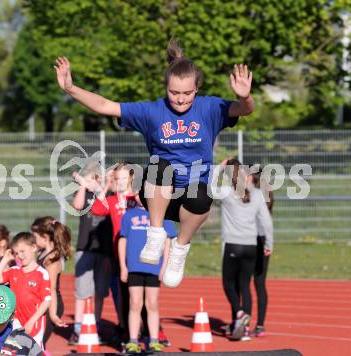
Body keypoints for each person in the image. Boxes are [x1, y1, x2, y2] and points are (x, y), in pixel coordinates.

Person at [55, 39, 255, 288]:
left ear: (197, 88)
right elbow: (106, 105)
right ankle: (156, 233)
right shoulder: (151, 111)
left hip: (191, 201)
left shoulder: (210, 108)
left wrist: (245, 97)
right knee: (161, 166)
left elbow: (244, 109)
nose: (181, 100)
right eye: (174, 93)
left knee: (202, 195)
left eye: (187, 93)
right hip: (158, 196)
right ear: (165, 88)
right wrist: (71, 88)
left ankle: (179, 249)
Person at [218, 159, 273, 341]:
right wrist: (269, 244)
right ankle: (246, 329)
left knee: (229, 284)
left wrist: (219, 167)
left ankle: (240, 315)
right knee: (247, 286)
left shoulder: (228, 192)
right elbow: (266, 221)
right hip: (253, 245)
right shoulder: (258, 194)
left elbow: (209, 187)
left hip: (234, 244)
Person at [89, 162, 137, 346]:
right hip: (119, 255)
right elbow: (95, 209)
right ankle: (125, 330)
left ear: (131, 177)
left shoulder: (137, 198)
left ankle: (147, 331)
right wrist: (107, 185)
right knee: (122, 295)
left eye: (124, 178)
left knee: (140, 295)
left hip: (138, 254)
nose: (121, 182)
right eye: (118, 178)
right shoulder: (112, 200)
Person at [119, 204, 177, 353]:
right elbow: (122, 240)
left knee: (152, 304)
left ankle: (154, 340)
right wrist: (123, 266)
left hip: (153, 268)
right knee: (135, 304)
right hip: (134, 267)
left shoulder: (162, 213)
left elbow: (168, 242)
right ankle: (132, 341)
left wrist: (164, 266)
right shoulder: (128, 215)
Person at [69, 164, 112, 345]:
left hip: (104, 249)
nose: (96, 180)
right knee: (82, 291)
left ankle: (96, 323)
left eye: (97, 177)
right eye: (93, 177)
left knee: (100, 292)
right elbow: (77, 205)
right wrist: (83, 185)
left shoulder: (107, 194)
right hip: (85, 248)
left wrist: (102, 185)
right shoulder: (84, 194)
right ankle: (78, 327)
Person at [0, 232, 51, 349]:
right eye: (17, 253)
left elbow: (46, 301)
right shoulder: (14, 271)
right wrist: (4, 260)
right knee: (14, 350)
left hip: (34, 322)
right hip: (16, 321)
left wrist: (32, 321)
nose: (20, 256)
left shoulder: (41, 274)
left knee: (33, 350)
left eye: (23, 251)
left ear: (34, 248)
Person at [32, 216, 71, 348]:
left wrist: (53, 315)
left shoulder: (52, 260)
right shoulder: (42, 253)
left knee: (37, 344)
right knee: (34, 341)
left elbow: (52, 289)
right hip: (42, 303)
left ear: (45, 237)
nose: (33, 240)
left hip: (51, 305)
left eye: (35, 237)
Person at [251, 167, 274, 337]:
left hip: (251, 240)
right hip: (263, 240)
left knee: (242, 283)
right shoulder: (267, 195)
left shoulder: (253, 196)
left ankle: (241, 321)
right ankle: (260, 325)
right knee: (259, 284)